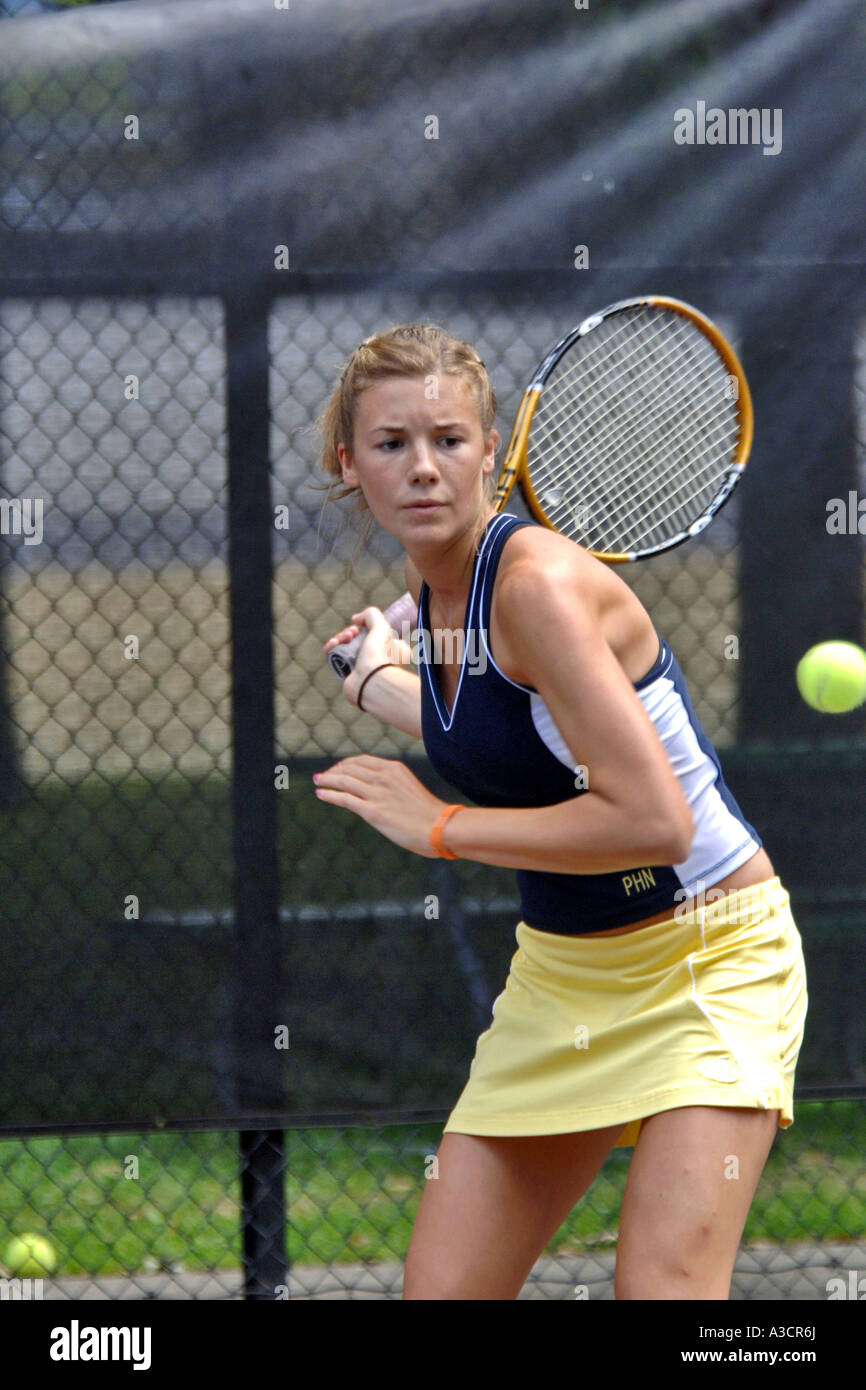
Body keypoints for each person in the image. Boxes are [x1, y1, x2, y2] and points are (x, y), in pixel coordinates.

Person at [313, 322, 808, 1301]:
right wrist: (384, 686)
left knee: (662, 1294)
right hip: (564, 979)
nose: (422, 468)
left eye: (448, 440)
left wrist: (439, 828)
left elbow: (649, 822)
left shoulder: (532, 584)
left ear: (489, 452)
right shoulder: (436, 590)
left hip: (708, 958)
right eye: (390, 444)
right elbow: (520, 743)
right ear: (349, 463)